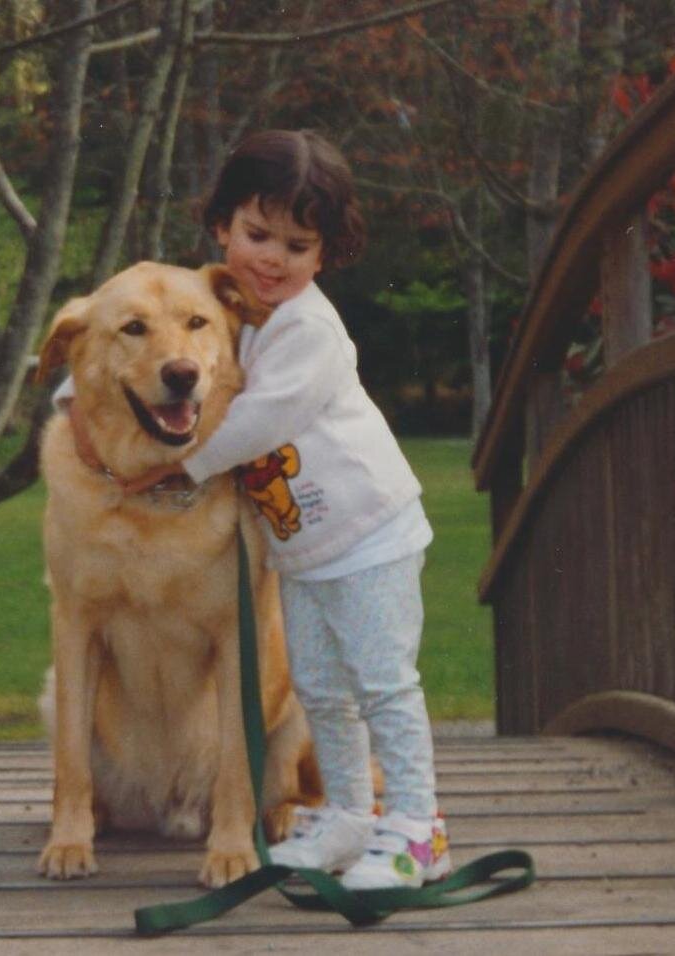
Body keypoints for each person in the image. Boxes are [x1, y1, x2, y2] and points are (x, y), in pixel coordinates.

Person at [82, 129, 450, 890]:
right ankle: (347, 814)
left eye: (296, 244)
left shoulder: (307, 329)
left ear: (324, 255)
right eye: (256, 235)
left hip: (370, 533)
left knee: (382, 682)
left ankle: (416, 827)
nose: (272, 258)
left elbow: (257, 419)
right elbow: (171, 369)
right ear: (221, 227)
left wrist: (180, 468)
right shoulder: (236, 318)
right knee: (317, 688)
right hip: (306, 550)